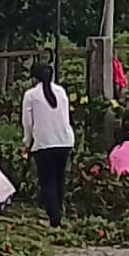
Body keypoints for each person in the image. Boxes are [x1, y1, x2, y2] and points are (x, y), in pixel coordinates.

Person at [20, 61, 75, 227]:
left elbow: (28, 122)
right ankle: (59, 212)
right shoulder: (61, 91)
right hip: (64, 140)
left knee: (47, 182)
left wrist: (27, 143)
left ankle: (54, 217)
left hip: (44, 143)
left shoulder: (31, 95)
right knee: (59, 179)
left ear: (34, 78)